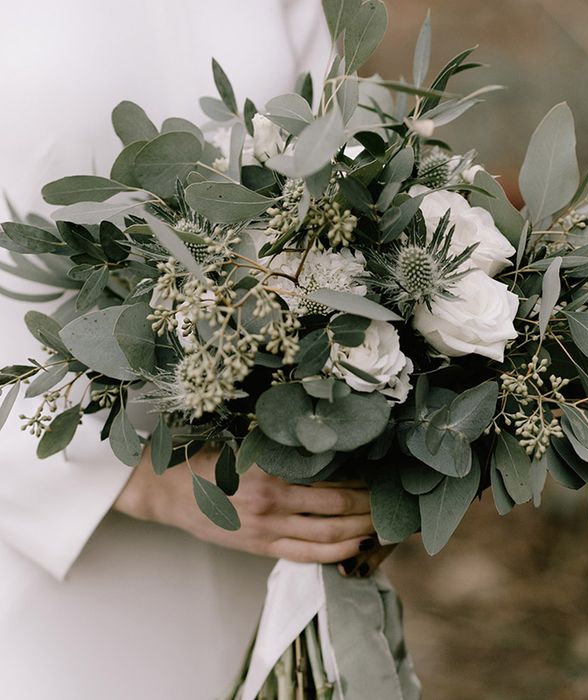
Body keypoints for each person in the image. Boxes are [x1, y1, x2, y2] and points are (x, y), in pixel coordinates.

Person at [0, 2, 384, 697]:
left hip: (276, 497)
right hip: (52, 563)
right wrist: (145, 484)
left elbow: (347, 160)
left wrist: (387, 406)